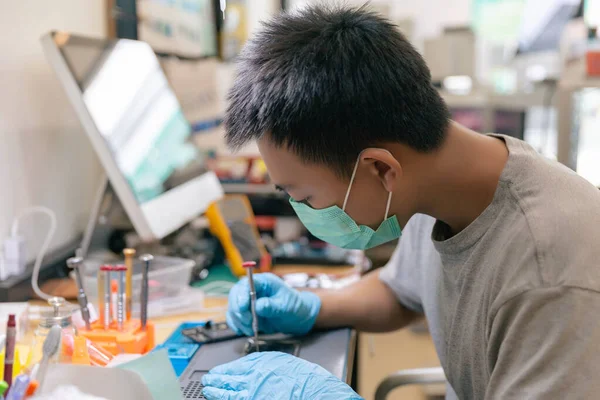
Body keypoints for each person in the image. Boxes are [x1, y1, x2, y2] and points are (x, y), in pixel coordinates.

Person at [201, 5, 600, 400]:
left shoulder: (551, 273)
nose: (305, 213)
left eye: (305, 197)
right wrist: (311, 307)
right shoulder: (435, 186)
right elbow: (399, 292)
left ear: (379, 168)